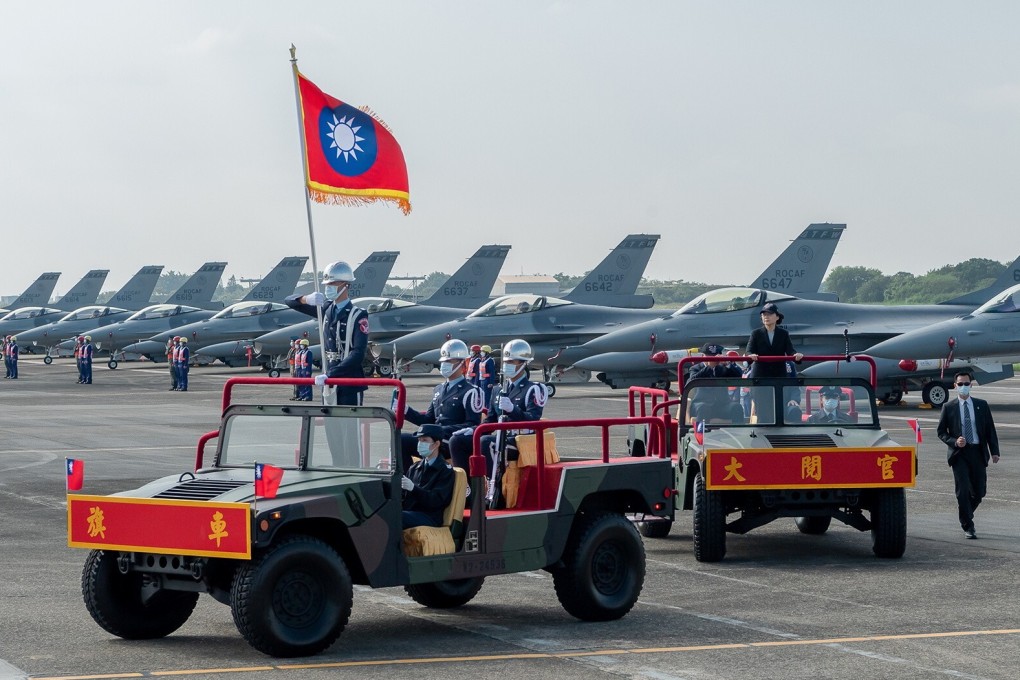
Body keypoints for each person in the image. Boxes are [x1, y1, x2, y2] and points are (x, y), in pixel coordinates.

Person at [453, 339, 548, 491]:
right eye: (506, 361)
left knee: (486, 442)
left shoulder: (534, 389)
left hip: (519, 440)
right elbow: (491, 419)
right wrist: (475, 429)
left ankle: (494, 488)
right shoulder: (498, 390)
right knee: (457, 441)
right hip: (499, 437)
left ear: (523, 363)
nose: (507, 365)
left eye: (512, 361)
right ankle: (466, 489)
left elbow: (532, 420)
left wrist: (512, 410)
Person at [285, 260, 368, 406]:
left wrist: (331, 374)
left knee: (350, 427)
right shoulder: (325, 309)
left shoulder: (358, 315)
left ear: (345, 285)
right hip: (328, 381)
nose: (328, 288)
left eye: (333, 284)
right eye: (327, 285)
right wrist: (306, 299)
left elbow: (358, 353)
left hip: (348, 381)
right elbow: (289, 301)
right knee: (331, 427)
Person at [937, 371, 1001, 539]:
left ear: (971, 385)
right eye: (960, 384)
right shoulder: (948, 407)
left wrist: (994, 451)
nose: (963, 387)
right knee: (963, 490)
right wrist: (954, 441)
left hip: (978, 452)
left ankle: (966, 514)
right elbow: (941, 432)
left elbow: (989, 430)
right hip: (959, 454)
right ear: (955, 386)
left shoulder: (981, 405)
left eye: (966, 384)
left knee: (979, 492)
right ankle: (968, 525)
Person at [403, 339, 486, 471]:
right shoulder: (438, 389)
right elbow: (428, 419)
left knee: (453, 443)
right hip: (433, 437)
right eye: (443, 362)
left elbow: (472, 424)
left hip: (450, 440)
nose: (444, 365)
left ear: (462, 364)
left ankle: (465, 486)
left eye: (449, 361)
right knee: (402, 440)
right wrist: (405, 411)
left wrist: (442, 430)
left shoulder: (471, 391)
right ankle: (409, 481)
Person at [401, 424, 456, 529]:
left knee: (397, 517)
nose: (420, 444)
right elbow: (404, 496)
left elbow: (436, 501)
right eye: (419, 440)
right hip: (412, 512)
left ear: (436, 444)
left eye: (425, 440)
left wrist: (413, 489)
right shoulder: (415, 467)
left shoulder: (445, 470)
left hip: (430, 516)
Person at [745, 302, 803, 378]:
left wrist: (796, 355)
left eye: (769, 314)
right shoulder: (756, 333)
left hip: (778, 374)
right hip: (760, 375)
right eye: (764, 315)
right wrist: (751, 355)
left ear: (777, 317)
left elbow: (790, 351)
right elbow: (749, 350)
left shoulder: (783, 334)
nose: (766, 317)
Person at [688, 343, 743, 423]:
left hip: (722, 405)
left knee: (736, 407)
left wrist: (727, 363)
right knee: (703, 408)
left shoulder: (722, 368)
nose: (712, 359)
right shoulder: (696, 368)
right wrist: (709, 367)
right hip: (701, 403)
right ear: (703, 356)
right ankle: (700, 434)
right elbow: (693, 381)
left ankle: (739, 433)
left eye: (714, 356)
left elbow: (738, 375)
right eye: (709, 356)